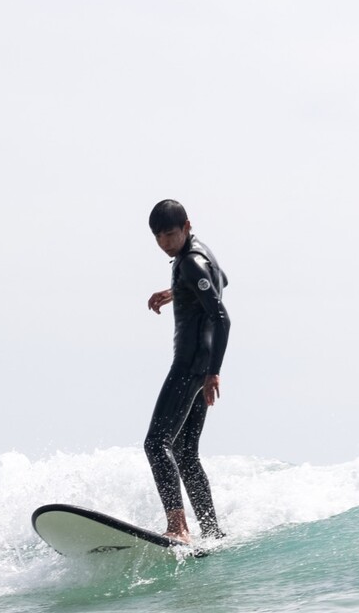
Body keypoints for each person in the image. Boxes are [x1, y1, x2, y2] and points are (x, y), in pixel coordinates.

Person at [144, 199, 231, 542]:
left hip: (191, 365)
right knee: (184, 451)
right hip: (201, 365)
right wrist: (177, 292)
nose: (165, 242)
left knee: (156, 444)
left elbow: (221, 316)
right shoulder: (199, 255)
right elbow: (222, 278)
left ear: (186, 226)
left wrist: (213, 372)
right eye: (158, 237)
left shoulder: (190, 263)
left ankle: (178, 527)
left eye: (170, 234)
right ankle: (211, 530)